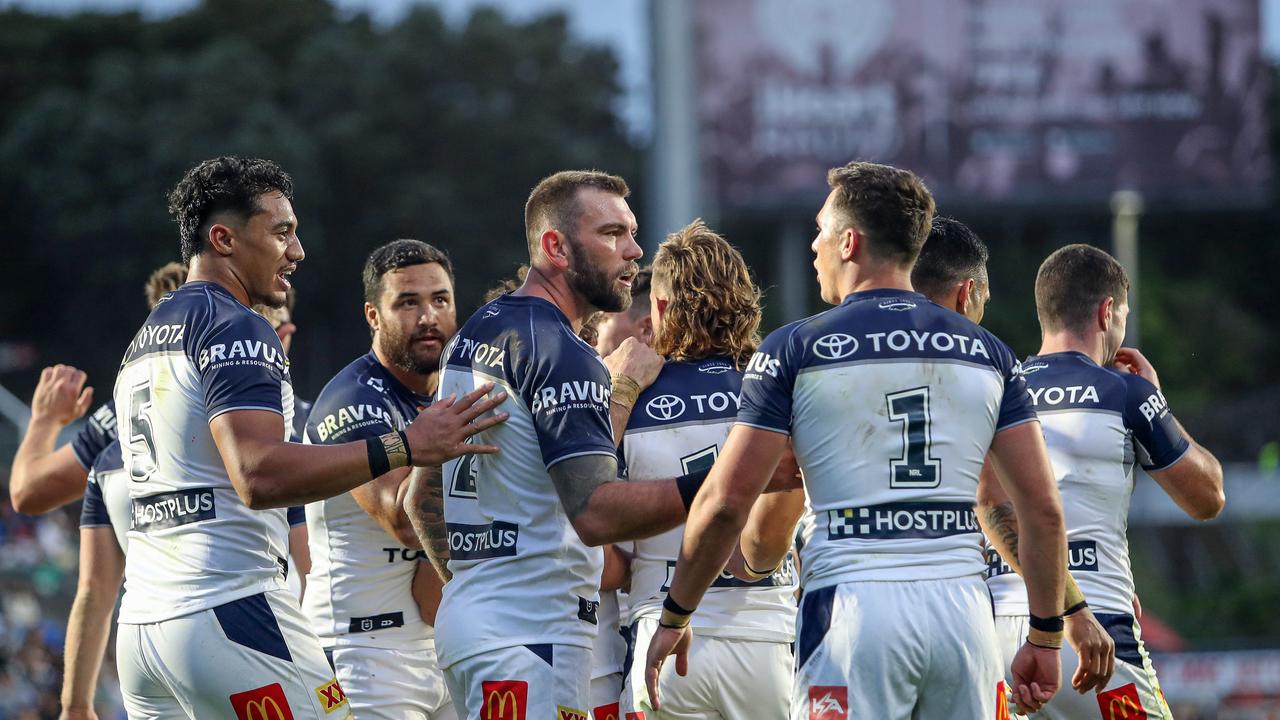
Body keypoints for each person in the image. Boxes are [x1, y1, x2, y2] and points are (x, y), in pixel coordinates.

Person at [645, 161, 1070, 718]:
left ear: (849, 242)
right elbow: (1041, 511)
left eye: (820, 230)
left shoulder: (793, 349)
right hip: (964, 614)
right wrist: (1045, 634)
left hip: (852, 609)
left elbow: (725, 504)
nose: (813, 246)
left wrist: (677, 615)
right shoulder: (989, 352)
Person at [112, 156, 506, 718]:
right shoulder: (237, 323)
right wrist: (404, 446)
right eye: (281, 233)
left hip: (144, 628)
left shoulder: (146, 336)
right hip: (230, 610)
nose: (296, 252)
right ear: (223, 239)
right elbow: (257, 474)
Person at [424, 170, 738, 717]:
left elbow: (419, 500)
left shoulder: (476, 331)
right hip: (531, 635)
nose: (635, 251)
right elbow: (595, 514)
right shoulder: (561, 348)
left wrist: (485, 588)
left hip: (479, 621)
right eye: (613, 234)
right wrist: (729, 480)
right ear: (556, 247)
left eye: (633, 233)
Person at [983, 244, 1223, 718]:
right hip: (1095, 635)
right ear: (1107, 311)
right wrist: (1156, 399)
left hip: (995, 638)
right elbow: (1208, 497)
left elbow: (984, 503)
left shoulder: (995, 390)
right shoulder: (1124, 391)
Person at [913, 218, 1117, 707]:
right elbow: (1007, 504)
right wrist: (1068, 614)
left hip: (842, 610)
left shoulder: (817, 350)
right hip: (953, 617)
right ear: (968, 294)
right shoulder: (981, 366)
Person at [619, 220, 799, 719]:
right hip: (766, 637)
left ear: (657, 308)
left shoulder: (626, 397)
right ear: (744, 300)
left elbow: (605, 554)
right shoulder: (777, 389)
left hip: (664, 634)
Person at [302, 239, 459, 719]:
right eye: (408, 303)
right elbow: (407, 521)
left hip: (439, 644)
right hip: (359, 653)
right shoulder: (352, 399)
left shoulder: (452, 392)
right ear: (373, 315)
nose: (428, 316)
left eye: (441, 299)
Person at [8, 262, 188, 515]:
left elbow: (28, 490)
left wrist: (45, 421)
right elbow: (28, 493)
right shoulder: (250, 375)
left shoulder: (130, 409)